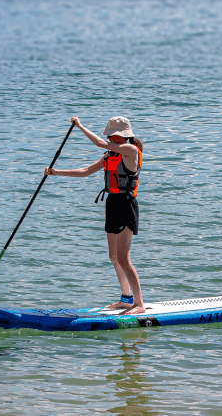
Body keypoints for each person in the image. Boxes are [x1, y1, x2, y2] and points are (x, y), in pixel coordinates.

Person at [45, 116, 146, 315]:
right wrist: (55, 172)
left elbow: (99, 143)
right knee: (113, 256)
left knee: (124, 258)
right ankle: (126, 299)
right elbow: (85, 171)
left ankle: (139, 304)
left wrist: (80, 126)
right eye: (109, 135)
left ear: (121, 136)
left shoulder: (130, 150)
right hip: (112, 203)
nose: (109, 138)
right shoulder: (110, 155)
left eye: (112, 135)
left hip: (126, 204)